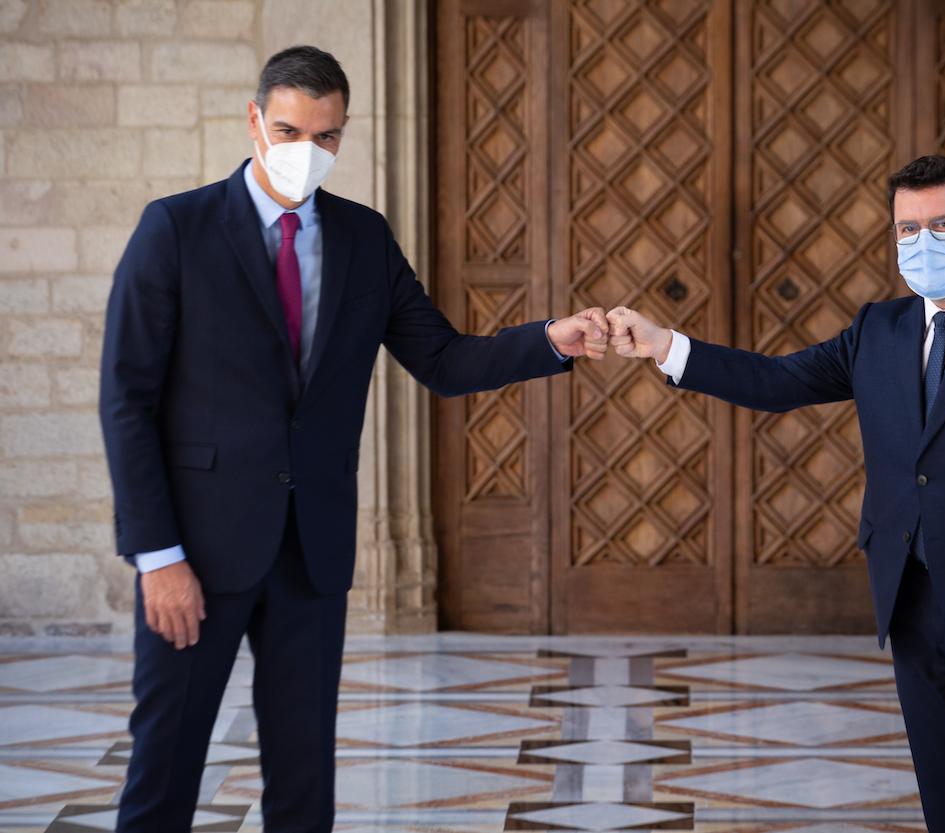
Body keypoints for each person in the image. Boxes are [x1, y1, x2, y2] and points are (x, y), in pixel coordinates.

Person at [98, 45, 608, 832]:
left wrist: (553, 338)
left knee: (304, 782)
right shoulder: (176, 229)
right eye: (289, 130)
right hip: (196, 552)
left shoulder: (363, 238)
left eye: (326, 136)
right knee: (163, 772)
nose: (306, 151)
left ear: (342, 134)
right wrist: (157, 556)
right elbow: (126, 399)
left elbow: (442, 358)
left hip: (313, 550)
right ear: (255, 121)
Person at [606, 155, 945, 833]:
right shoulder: (879, 330)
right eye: (907, 229)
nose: (922, 242)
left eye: (942, 224)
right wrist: (667, 347)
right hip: (915, 610)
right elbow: (776, 383)